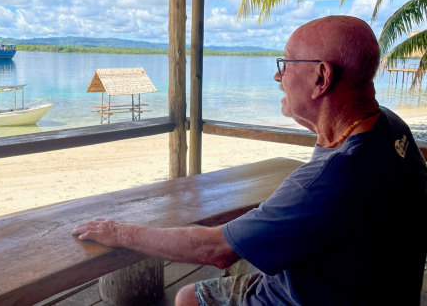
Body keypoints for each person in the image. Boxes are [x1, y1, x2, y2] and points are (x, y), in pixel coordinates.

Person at [72, 16, 427, 305]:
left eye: (285, 64)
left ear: (321, 77)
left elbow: (214, 249)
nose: (278, 75)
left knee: (188, 297)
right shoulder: (390, 127)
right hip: (363, 287)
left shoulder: (332, 178)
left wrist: (118, 231)